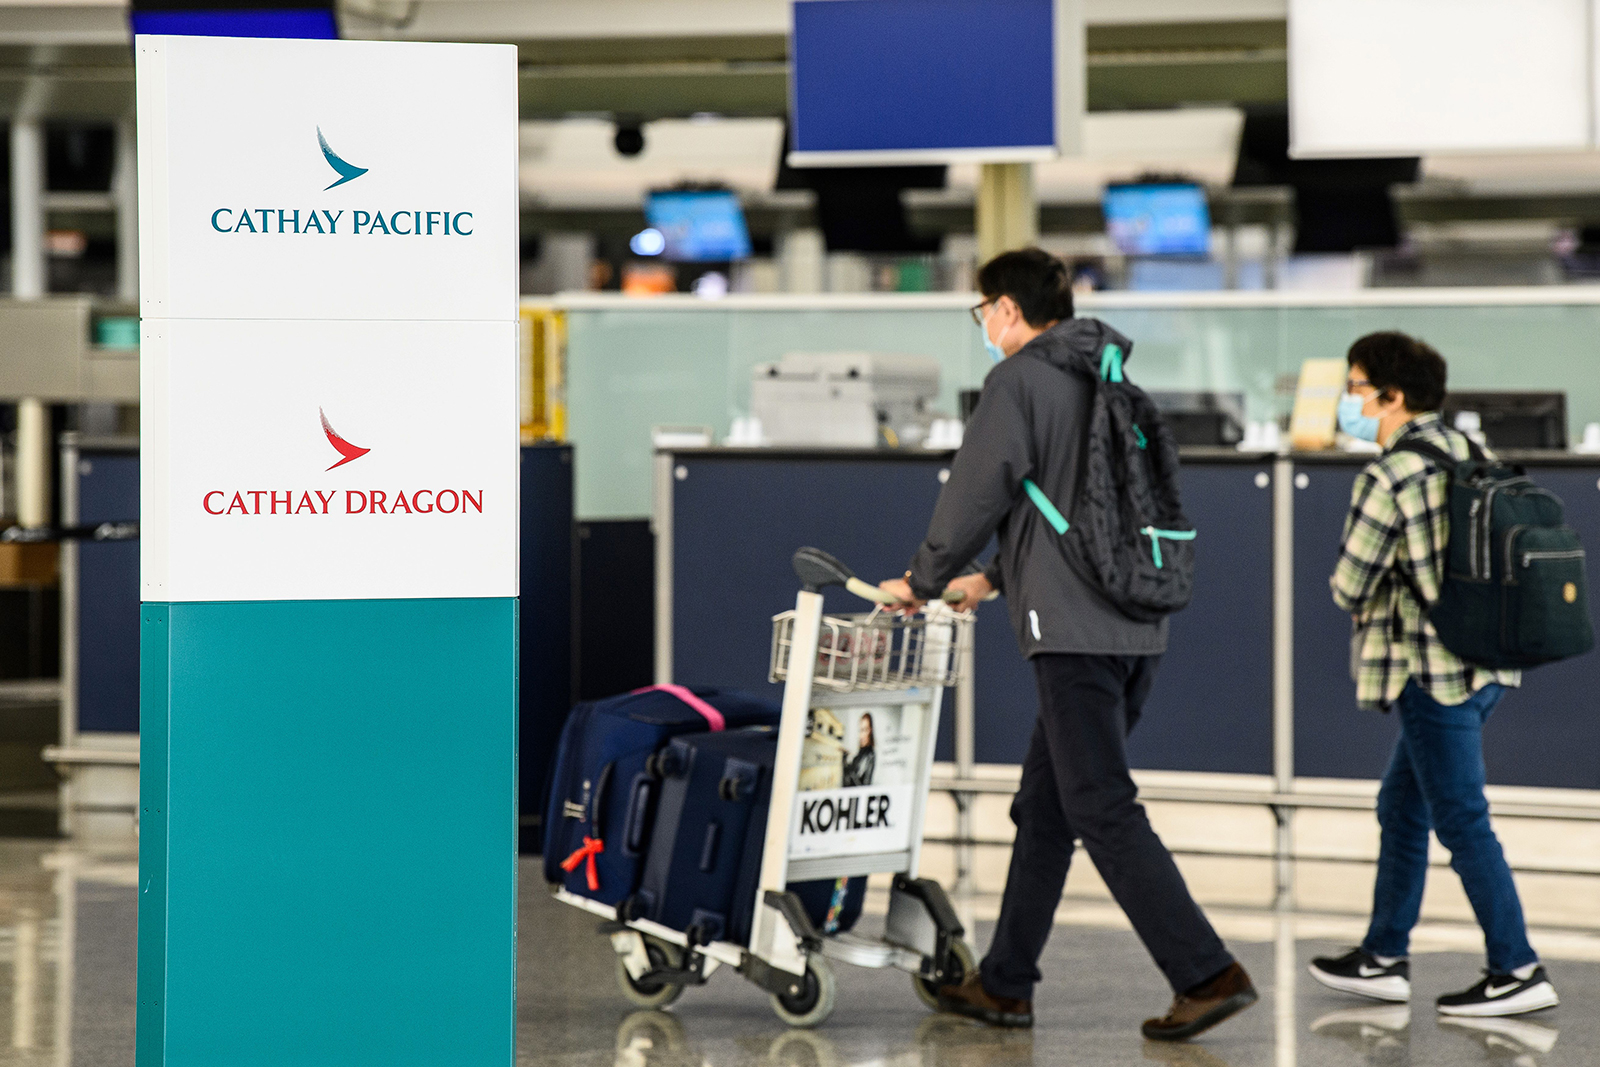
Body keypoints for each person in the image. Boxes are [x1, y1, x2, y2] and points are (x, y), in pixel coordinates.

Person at [877, 248, 1256, 1041]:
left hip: (1074, 634)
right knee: (1045, 810)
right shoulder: (1109, 379)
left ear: (1007, 310)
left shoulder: (1018, 382)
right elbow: (1076, 513)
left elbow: (977, 490)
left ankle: (1205, 971)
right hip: (1133, 624)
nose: (982, 323)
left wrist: (922, 576)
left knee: (1099, 805)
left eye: (982, 309)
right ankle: (1006, 984)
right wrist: (990, 580)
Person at [1309, 331, 1558, 1017]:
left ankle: (1517, 966)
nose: (1349, 400)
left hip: (1432, 671)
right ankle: (1383, 953)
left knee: (1461, 816)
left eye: (1357, 387)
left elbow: (1348, 586)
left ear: (1391, 397)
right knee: (1403, 804)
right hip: (1487, 666)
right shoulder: (1470, 452)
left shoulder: (1389, 475)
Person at [843, 713, 875, 787]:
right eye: (860, 730)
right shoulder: (862, 752)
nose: (861, 735)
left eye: (864, 730)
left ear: (870, 731)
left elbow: (863, 786)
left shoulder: (870, 755)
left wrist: (847, 766)